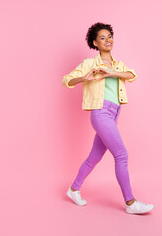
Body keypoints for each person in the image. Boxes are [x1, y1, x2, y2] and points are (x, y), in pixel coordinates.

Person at [62, 22, 154, 214]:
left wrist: (110, 72)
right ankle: (130, 203)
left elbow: (132, 75)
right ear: (95, 42)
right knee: (121, 155)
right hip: (101, 112)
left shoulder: (117, 65)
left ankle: (73, 189)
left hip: (114, 114)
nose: (107, 40)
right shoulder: (89, 64)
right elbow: (67, 80)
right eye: (102, 38)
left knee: (94, 157)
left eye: (109, 36)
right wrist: (85, 78)